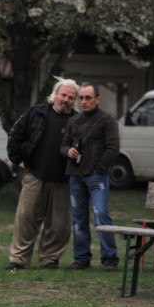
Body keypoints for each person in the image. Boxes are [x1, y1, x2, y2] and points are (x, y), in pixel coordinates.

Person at [5, 78, 80, 270]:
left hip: (63, 179)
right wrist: (17, 159)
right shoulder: (36, 113)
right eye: (63, 95)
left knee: (59, 225)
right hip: (35, 175)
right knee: (26, 219)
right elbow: (15, 134)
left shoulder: (78, 121)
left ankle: (49, 259)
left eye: (71, 97)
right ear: (55, 94)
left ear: (75, 101)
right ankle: (18, 260)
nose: (66, 100)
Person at [60, 83, 121, 271]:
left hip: (96, 177)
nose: (84, 101)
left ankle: (110, 259)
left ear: (97, 99)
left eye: (88, 98)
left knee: (101, 215)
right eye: (81, 98)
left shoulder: (107, 120)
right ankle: (82, 259)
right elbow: (63, 145)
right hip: (75, 176)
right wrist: (67, 151)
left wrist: (99, 169)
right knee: (78, 218)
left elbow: (113, 148)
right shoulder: (73, 121)